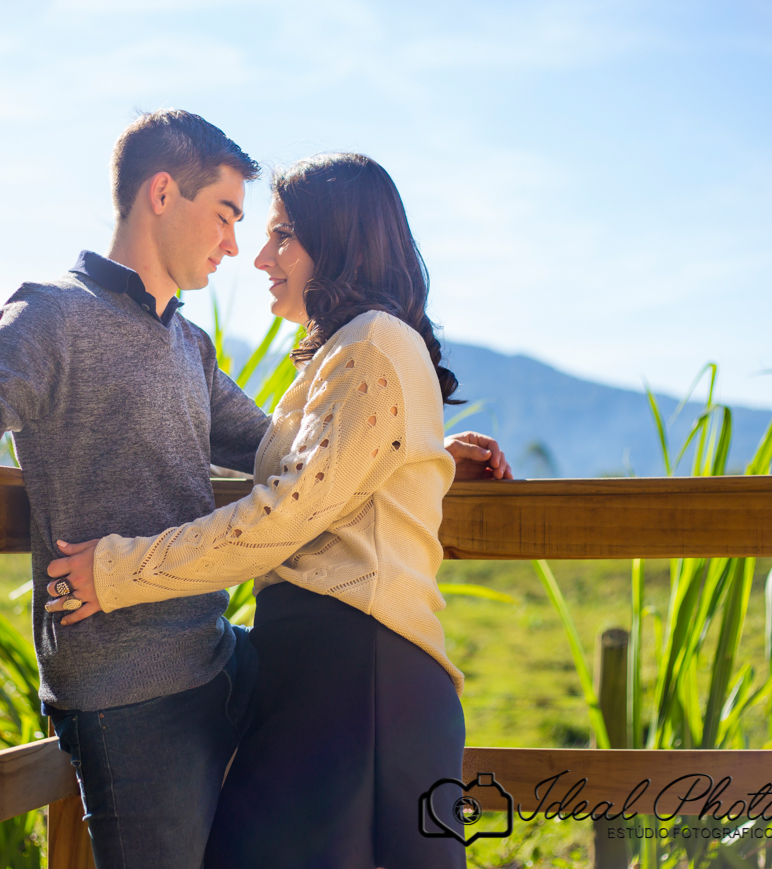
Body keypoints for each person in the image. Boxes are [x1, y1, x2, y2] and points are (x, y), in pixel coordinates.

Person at [0, 112, 507, 867]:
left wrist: (414, 448)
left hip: (219, 661)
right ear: (162, 193)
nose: (239, 246)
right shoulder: (54, 313)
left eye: (257, 226)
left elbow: (300, 455)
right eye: (228, 215)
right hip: (127, 682)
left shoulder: (188, 345)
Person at [45, 152, 511, 869]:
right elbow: (335, 470)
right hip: (335, 674)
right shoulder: (353, 351)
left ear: (342, 241)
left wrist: (116, 572)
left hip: (356, 675)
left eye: (283, 234)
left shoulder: (374, 343)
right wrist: (419, 445)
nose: (261, 256)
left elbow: (285, 514)